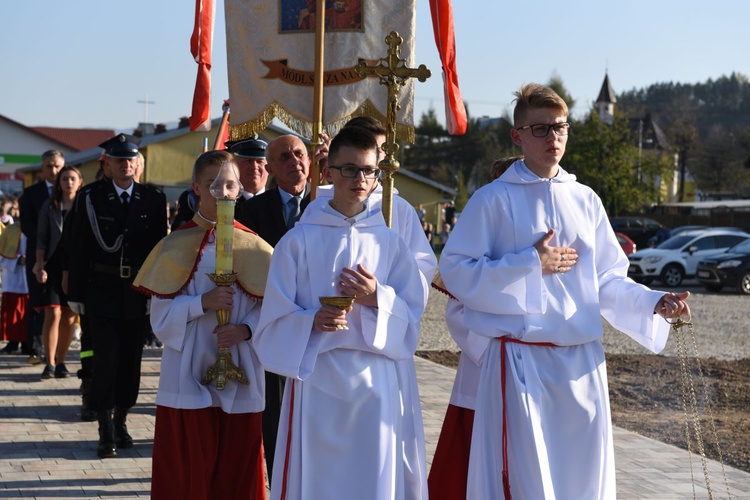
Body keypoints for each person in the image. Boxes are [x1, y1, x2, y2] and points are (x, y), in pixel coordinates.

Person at [439, 83, 691, 499]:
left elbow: (607, 278)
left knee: (582, 482)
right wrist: (529, 264)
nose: (553, 137)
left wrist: (653, 302)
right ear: (517, 136)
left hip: (582, 365)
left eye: (560, 127)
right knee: (526, 483)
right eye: (540, 129)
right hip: (521, 362)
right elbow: (457, 272)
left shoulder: (585, 199)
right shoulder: (492, 200)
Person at [253, 126, 426, 499]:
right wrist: (310, 321)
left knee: (372, 481)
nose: (359, 179)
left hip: (376, 381)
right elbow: (270, 327)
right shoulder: (298, 241)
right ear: (328, 172)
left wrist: (378, 296)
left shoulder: (390, 242)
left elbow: (412, 320)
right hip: (319, 379)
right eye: (348, 169)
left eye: (368, 170)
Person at [133, 150, 273, 499]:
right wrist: (201, 303)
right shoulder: (173, 246)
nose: (223, 193)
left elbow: (273, 308)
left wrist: (246, 330)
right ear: (196, 188)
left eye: (230, 185)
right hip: (189, 370)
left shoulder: (257, 247)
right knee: (188, 467)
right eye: (214, 186)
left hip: (241, 367)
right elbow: (161, 318)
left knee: (236, 467)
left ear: (239, 189)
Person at [67, 133, 168, 458]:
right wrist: (76, 293)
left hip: (136, 294)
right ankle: (105, 429)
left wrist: (157, 293)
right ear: (107, 164)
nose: (126, 165)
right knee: (105, 362)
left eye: (131, 159)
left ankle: (122, 419)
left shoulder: (152, 198)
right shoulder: (91, 198)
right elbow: (79, 247)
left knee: (130, 363)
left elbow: (158, 250)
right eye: (119, 160)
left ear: (139, 163)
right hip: (102, 292)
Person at [427, 156, 521, 500]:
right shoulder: (476, 240)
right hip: (483, 365)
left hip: (529, 366)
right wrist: (494, 349)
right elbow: (457, 310)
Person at [237, 133, 311, 480]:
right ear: (269, 168)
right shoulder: (250, 211)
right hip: (274, 319)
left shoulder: (327, 207)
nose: (294, 161)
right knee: (276, 407)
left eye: (300, 154)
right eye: (284, 156)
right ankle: (277, 475)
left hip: (316, 321)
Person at [34, 165, 83, 379]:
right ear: (59, 182)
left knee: (69, 316)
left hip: (77, 266)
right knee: (52, 313)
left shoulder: (85, 205)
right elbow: (41, 239)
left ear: (80, 181)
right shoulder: (50, 205)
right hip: (53, 264)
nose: (68, 182)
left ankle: (62, 361)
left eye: (72, 178)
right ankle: (50, 362)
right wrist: (40, 265)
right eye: (64, 179)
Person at [19, 150, 64, 364]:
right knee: (38, 302)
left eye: (57, 166)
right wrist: (45, 245)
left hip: (64, 259)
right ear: (42, 167)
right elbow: (27, 226)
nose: (53, 170)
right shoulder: (30, 194)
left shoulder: (72, 192)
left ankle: (56, 352)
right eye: (49, 166)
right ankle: (35, 348)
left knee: (60, 307)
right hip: (39, 256)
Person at [0, 223, 29, 355]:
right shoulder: (9, 230)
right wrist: (17, 261)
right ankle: (12, 342)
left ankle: (28, 343)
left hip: (30, 277)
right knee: (12, 312)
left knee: (29, 313)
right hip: (13, 278)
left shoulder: (36, 227)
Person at [225, 136, 269, 215]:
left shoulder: (281, 202)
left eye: (259, 161)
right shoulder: (225, 202)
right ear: (234, 166)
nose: (254, 167)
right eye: (248, 161)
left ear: (269, 167)